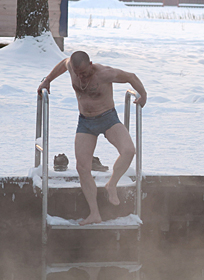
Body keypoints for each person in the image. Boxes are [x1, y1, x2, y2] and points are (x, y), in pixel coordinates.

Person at [37, 51, 147, 225]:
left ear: (91, 64)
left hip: (108, 118)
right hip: (85, 122)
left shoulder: (105, 73)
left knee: (129, 151)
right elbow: (63, 63)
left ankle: (112, 184)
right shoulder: (72, 67)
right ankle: (94, 213)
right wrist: (48, 79)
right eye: (77, 73)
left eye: (84, 73)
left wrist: (143, 95)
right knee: (82, 167)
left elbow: (131, 77)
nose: (81, 77)